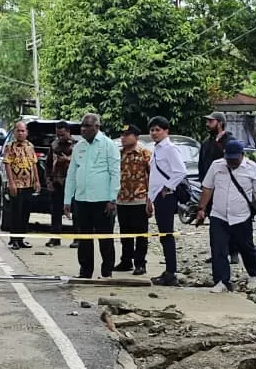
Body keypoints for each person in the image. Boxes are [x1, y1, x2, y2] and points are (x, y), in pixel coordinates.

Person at [197, 139, 256, 293]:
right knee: (218, 248)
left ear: (242, 155)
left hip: (241, 216)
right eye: (228, 159)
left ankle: (255, 274)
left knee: (246, 247)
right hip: (219, 215)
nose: (231, 162)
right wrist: (201, 209)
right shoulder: (217, 166)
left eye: (234, 159)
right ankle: (222, 281)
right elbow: (207, 188)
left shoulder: (252, 168)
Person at [63, 113, 120, 279]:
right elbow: (72, 174)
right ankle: (85, 271)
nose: (83, 129)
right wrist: (67, 200)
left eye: (87, 126)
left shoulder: (108, 145)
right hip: (82, 200)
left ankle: (107, 272)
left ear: (97, 127)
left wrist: (112, 199)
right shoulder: (79, 147)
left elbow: (115, 173)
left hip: (103, 200)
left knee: (105, 238)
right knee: (84, 238)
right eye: (82, 126)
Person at [147, 116, 186, 285]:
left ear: (166, 131)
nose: (154, 133)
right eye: (152, 130)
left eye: (158, 130)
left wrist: (166, 188)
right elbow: (154, 176)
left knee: (167, 234)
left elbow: (180, 171)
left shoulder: (170, 149)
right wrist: (150, 198)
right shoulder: (156, 149)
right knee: (163, 234)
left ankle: (171, 272)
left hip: (167, 197)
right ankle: (169, 270)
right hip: (156, 196)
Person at [199, 111, 239, 264]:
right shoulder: (206, 143)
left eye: (211, 121)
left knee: (230, 220)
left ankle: (233, 252)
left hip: (227, 187)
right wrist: (203, 184)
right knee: (214, 222)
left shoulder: (230, 141)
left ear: (220, 123)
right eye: (207, 121)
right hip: (210, 188)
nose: (207, 124)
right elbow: (202, 165)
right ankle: (217, 252)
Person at [115, 125, 152, 274]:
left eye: (127, 134)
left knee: (141, 234)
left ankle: (140, 263)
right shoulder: (118, 154)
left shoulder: (144, 153)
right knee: (125, 233)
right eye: (122, 134)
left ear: (136, 137)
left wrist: (150, 199)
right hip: (122, 199)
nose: (123, 138)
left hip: (139, 199)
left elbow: (151, 176)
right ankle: (126, 261)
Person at [3, 121, 39, 250]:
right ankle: (14, 240)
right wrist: (11, 183)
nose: (20, 133)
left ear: (26, 132)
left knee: (25, 213)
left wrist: (37, 181)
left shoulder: (30, 146)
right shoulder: (10, 147)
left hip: (28, 185)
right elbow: (7, 165)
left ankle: (21, 239)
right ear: (14, 132)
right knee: (15, 213)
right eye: (18, 131)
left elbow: (34, 164)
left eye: (23, 131)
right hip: (16, 185)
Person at [45, 121, 75, 248]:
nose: (60, 137)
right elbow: (48, 164)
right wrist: (48, 181)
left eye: (62, 134)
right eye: (58, 135)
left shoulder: (77, 145)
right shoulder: (54, 145)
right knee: (56, 211)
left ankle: (77, 238)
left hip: (72, 183)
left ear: (68, 132)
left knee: (76, 211)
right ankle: (55, 238)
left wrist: (67, 160)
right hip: (57, 182)